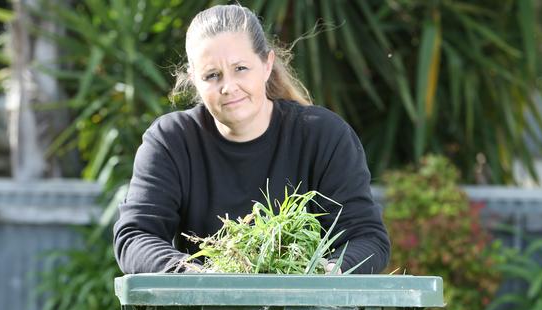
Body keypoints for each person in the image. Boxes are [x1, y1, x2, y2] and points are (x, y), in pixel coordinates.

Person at [113, 4, 390, 274]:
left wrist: (323, 273)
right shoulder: (171, 141)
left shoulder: (323, 136)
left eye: (241, 68)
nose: (228, 87)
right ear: (194, 79)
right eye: (212, 75)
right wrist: (196, 276)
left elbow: (366, 237)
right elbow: (134, 236)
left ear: (267, 64)